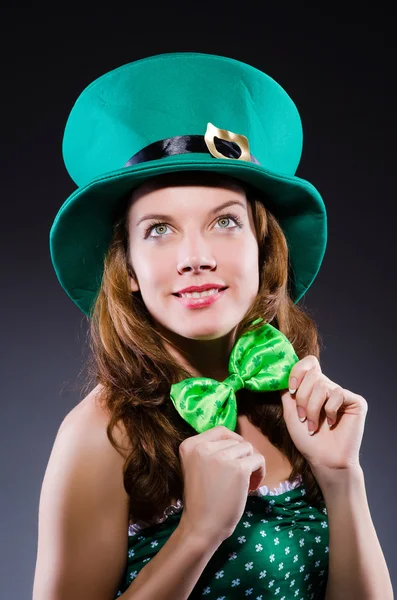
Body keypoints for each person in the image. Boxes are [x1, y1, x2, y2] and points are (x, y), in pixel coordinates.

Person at [33, 52, 393, 600]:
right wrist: (197, 533)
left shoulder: (292, 400)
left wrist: (343, 478)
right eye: (159, 230)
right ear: (128, 268)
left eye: (225, 221)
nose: (194, 257)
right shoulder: (101, 436)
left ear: (262, 248)